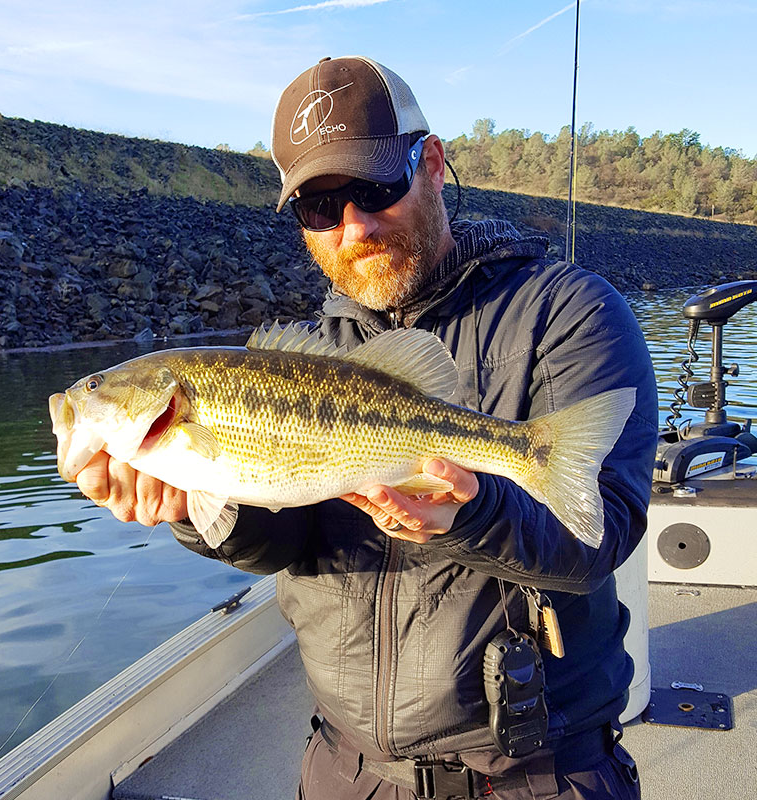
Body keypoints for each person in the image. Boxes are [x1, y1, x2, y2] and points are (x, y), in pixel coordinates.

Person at [77, 56, 658, 799]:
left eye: (375, 187)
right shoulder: (314, 347)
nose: (354, 226)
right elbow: (292, 542)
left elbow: (598, 535)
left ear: (434, 163)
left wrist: (471, 512)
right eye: (320, 207)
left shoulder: (569, 313)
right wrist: (194, 507)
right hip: (346, 772)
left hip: (536, 775)